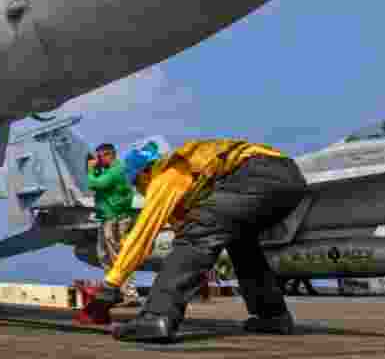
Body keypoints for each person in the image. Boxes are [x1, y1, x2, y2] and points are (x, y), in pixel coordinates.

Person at [90, 139, 308, 343]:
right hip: (289, 176)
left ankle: (156, 317)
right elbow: (185, 224)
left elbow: (143, 234)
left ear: (143, 174)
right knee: (241, 243)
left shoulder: (166, 174)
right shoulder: (193, 173)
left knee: (197, 235)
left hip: (255, 174)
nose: (140, 190)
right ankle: (272, 315)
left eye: (136, 183)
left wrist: (111, 285)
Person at [87, 143, 140, 305]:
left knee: (118, 257)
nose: (98, 160)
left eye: (100, 157)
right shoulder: (110, 170)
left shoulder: (116, 170)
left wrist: (90, 170)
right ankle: (115, 290)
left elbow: (95, 184)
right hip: (107, 218)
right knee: (104, 256)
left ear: (109, 155)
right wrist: (96, 169)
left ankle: (130, 294)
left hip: (116, 218)